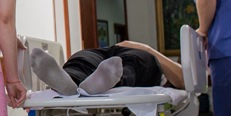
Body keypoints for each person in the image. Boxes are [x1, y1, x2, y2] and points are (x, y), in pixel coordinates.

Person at [30, 41, 184, 96]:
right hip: (107, 52)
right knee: (82, 59)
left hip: (140, 57)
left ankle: (104, 81)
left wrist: (145, 48)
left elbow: (184, 80)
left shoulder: (182, 71)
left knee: (132, 66)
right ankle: (69, 83)